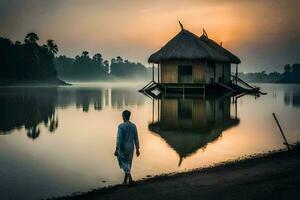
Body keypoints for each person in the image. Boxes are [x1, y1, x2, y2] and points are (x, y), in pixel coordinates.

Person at [114, 110, 140, 185]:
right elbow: (136, 138)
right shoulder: (133, 126)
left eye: (122, 115)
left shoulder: (121, 126)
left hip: (123, 147)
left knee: (124, 163)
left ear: (124, 116)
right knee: (128, 164)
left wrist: (116, 149)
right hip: (131, 147)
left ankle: (130, 179)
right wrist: (137, 149)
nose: (122, 117)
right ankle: (125, 181)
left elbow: (119, 138)